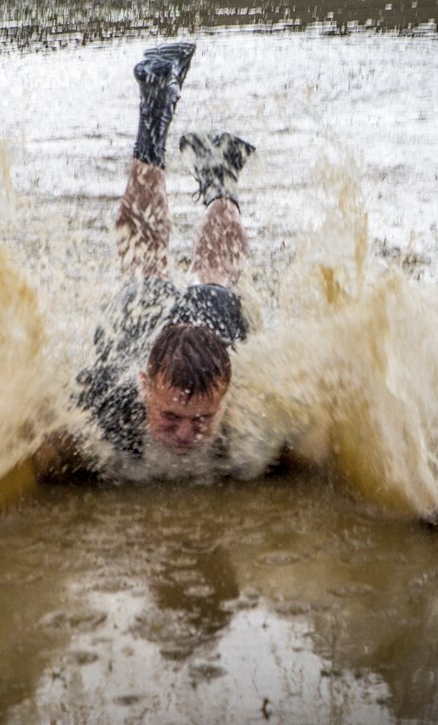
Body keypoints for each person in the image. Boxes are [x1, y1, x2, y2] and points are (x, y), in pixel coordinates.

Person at [34, 42, 258, 480]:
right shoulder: (105, 402)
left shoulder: (247, 414)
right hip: (142, 323)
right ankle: (157, 101)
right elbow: (30, 439)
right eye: (170, 417)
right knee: (145, 260)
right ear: (145, 386)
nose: (186, 434)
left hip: (209, 325)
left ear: (225, 398)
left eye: (202, 420)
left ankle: (219, 175)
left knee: (217, 273)